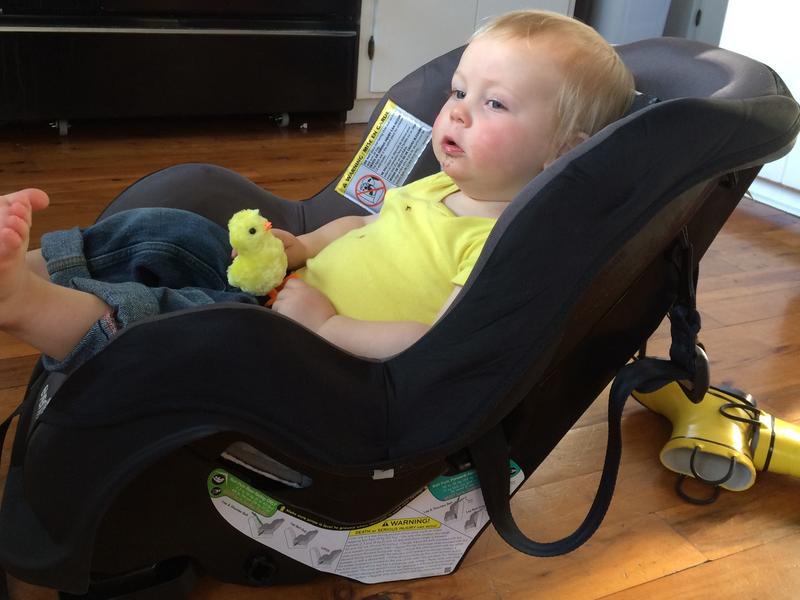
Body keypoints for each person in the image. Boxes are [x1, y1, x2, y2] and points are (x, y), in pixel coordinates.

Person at [0, 10, 634, 372]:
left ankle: (23, 303)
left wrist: (329, 324)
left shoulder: (504, 242)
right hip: (278, 289)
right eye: (459, 92)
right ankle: (35, 263)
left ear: (566, 152)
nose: (459, 113)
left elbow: (440, 345)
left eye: (494, 103)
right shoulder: (441, 184)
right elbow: (362, 226)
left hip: (308, 356)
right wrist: (301, 245)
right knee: (172, 230)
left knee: (166, 325)